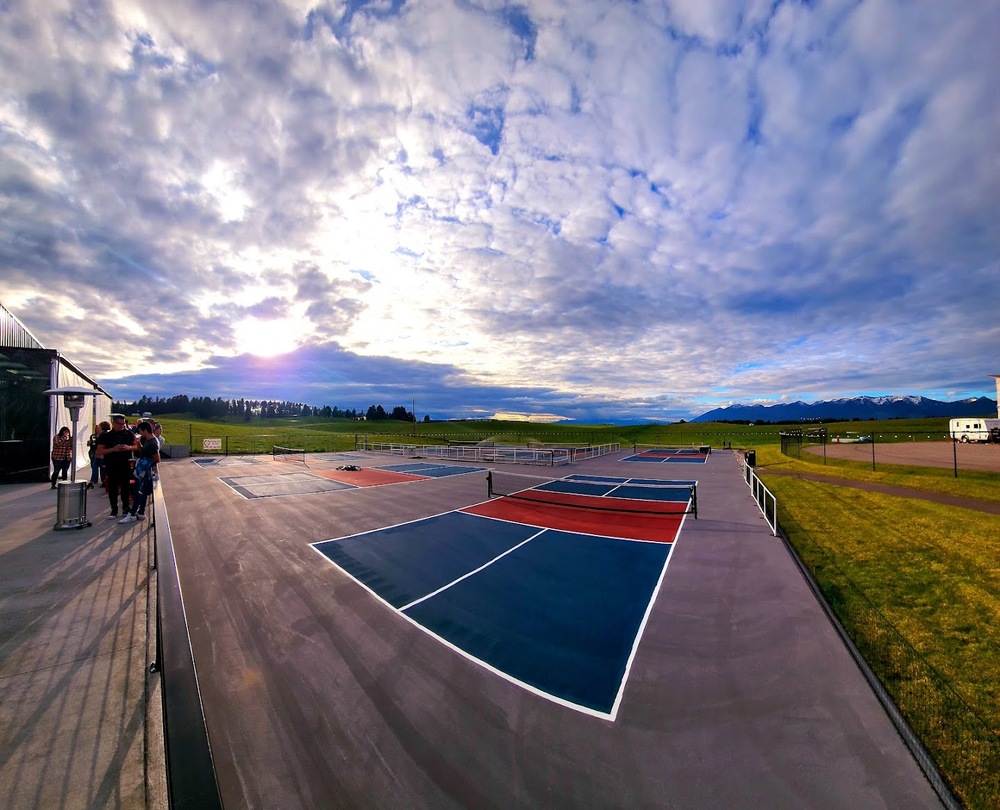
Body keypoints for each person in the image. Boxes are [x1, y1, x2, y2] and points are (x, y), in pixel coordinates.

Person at [97, 414, 138, 519]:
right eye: (119, 424)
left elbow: (137, 446)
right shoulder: (106, 436)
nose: (121, 426)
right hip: (111, 464)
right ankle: (114, 510)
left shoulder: (128, 434)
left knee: (125, 487)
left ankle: (125, 508)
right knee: (113, 488)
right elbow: (99, 451)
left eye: (123, 424)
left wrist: (129, 448)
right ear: (114, 423)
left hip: (125, 464)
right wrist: (112, 449)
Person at [119, 421, 160, 523]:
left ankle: (133, 513)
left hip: (144, 471)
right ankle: (141, 512)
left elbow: (157, 459)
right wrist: (138, 445)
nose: (140, 433)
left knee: (137, 491)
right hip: (144, 470)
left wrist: (146, 462)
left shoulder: (153, 443)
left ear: (145, 430)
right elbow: (143, 452)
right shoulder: (147, 440)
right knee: (143, 492)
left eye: (141, 431)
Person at [87, 421, 110, 489]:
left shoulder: (104, 435)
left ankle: (99, 481)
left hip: (101, 455)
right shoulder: (98, 435)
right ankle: (95, 481)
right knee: (96, 467)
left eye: (99, 427)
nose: (98, 428)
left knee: (100, 468)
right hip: (98, 454)